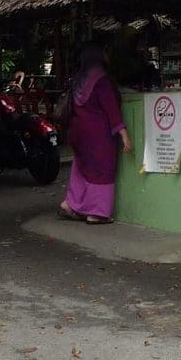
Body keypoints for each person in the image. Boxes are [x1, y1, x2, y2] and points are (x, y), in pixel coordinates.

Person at [59, 43, 132, 225]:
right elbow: (112, 110)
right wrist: (124, 134)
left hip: (78, 134)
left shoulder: (79, 79)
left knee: (81, 168)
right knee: (102, 170)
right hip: (98, 136)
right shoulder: (102, 81)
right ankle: (97, 213)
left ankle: (71, 204)